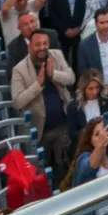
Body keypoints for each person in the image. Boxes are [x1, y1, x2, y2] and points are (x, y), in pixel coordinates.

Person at [10, 30, 75, 173]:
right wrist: (38, 85)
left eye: (45, 43)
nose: (42, 47)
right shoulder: (19, 70)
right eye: (37, 44)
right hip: (39, 132)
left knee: (64, 164)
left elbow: (71, 78)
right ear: (30, 47)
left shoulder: (56, 55)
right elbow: (17, 102)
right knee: (43, 171)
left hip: (62, 125)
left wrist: (53, 75)